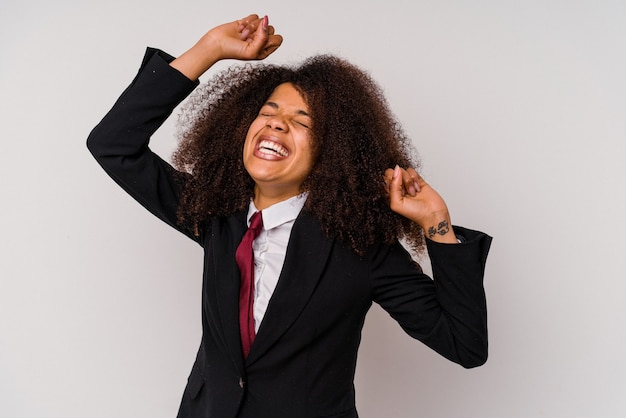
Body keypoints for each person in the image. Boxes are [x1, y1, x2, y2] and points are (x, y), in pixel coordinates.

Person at [87, 14, 492, 418]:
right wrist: (209, 49)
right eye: (268, 111)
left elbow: (464, 345)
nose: (276, 124)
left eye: (302, 122)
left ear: (331, 152)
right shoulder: (213, 213)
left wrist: (436, 224)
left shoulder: (360, 249)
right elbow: (114, 145)